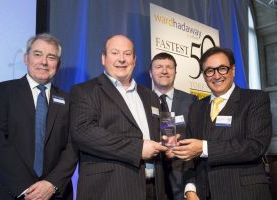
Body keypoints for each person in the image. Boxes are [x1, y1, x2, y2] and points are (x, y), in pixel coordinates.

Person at [70, 34, 168, 200]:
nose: (121, 59)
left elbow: (158, 132)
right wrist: (137, 149)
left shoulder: (150, 96)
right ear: (103, 58)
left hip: (152, 188)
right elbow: (84, 133)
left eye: (127, 54)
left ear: (134, 60)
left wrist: (169, 142)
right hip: (109, 189)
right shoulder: (85, 91)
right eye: (115, 53)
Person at [0, 33, 77, 200]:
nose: (44, 62)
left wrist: (50, 184)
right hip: (7, 190)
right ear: (26, 58)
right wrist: (27, 188)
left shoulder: (68, 100)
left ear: (58, 64)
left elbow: (72, 148)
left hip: (53, 194)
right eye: (38, 54)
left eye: (51, 57)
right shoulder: (3, 92)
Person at [171, 47, 272, 200]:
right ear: (204, 76)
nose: (216, 75)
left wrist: (204, 148)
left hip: (245, 194)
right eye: (210, 71)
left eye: (222, 69)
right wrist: (190, 189)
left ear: (233, 70)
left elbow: (255, 147)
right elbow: (189, 155)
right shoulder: (196, 107)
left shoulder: (255, 99)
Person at [149, 52, 197, 200]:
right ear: (151, 73)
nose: (164, 71)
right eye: (159, 67)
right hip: (152, 181)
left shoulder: (191, 101)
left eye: (169, 67)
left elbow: (197, 139)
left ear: (175, 72)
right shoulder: (142, 100)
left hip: (183, 179)